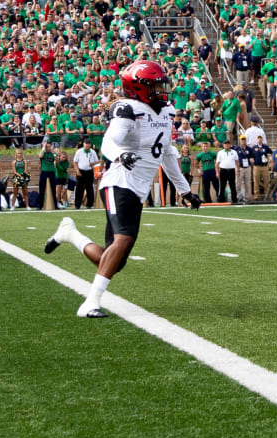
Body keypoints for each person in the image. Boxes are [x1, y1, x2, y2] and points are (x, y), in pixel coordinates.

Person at [44, 61, 200, 318]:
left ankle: (70, 234)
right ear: (139, 88)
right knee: (124, 239)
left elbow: (167, 153)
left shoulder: (165, 112)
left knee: (113, 260)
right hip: (120, 182)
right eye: (156, 85)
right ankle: (90, 303)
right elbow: (109, 141)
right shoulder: (129, 109)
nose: (162, 89)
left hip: (138, 189)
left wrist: (184, 190)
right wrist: (120, 155)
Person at [72, 138, 99, 209]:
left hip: (89, 171)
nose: (87, 145)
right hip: (81, 171)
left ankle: (90, 204)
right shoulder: (79, 151)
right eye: (86, 144)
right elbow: (75, 161)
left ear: (90, 144)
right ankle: (77, 204)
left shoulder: (93, 152)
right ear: (83, 144)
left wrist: (92, 163)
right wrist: (77, 170)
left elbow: (97, 161)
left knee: (89, 188)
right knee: (79, 188)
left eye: (88, 144)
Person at [216, 139, 240, 203]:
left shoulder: (234, 152)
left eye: (228, 144)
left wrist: (238, 170)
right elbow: (217, 164)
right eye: (225, 144)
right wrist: (217, 173)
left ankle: (234, 199)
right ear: (223, 145)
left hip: (231, 170)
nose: (227, 145)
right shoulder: (220, 152)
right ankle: (221, 199)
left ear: (230, 145)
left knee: (232, 185)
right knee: (222, 186)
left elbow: (237, 162)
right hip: (223, 170)